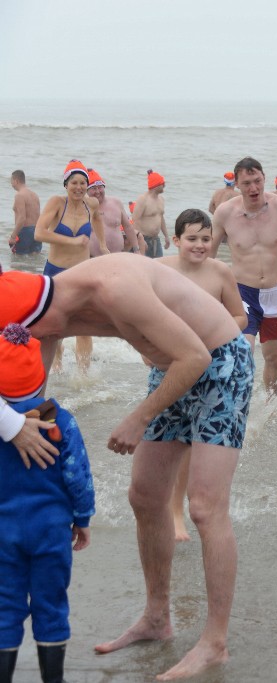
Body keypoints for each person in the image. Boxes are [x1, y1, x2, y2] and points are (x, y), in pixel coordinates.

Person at [0, 253, 253, 680]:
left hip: (219, 366)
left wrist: (139, 417)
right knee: (146, 496)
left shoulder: (114, 287)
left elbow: (195, 359)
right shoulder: (48, 311)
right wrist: (21, 427)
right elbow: (31, 390)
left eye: (29, 338)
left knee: (205, 507)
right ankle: (157, 619)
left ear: (38, 319)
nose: (31, 343)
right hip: (170, 369)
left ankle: (215, 642)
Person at [0, 323, 94, 683]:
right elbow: (77, 476)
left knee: (4, 607)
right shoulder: (60, 420)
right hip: (51, 532)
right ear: (40, 378)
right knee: (51, 605)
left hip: (3, 532)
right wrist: (83, 518)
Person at [158, 209, 247, 543]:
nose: (199, 245)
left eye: (206, 239)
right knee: (174, 440)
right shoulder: (160, 268)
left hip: (212, 365)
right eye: (191, 239)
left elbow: (239, 317)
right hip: (170, 364)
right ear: (176, 239)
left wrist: (212, 332)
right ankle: (170, 507)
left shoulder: (220, 272)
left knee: (198, 442)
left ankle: (184, 509)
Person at [211, 158, 277, 398]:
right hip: (242, 292)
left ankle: (269, 403)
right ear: (237, 184)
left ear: (264, 178)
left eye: (257, 181)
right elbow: (207, 257)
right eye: (247, 183)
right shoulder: (225, 213)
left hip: (275, 293)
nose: (253, 188)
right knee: (244, 351)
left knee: (273, 358)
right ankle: (237, 402)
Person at [35, 160, 108, 374]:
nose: (79, 187)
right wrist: (72, 241)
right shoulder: (57, 203)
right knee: (54, 328)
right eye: (74, 182)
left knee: (84, 328)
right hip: (56, 273)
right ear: (66, 185)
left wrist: (103, 245)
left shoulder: (91, 204)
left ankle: (83, 376)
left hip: (82, 274)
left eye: (83, 183)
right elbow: (39, 233)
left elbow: (97, 221)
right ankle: (56, 366)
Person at [87, 168, 140, 256]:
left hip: (117, 256)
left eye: (100, 187)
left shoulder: (116, 203)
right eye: (93, 188)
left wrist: (136, 249)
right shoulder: (83, 207)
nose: (97, 192)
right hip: (92, 259)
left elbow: (128, 227)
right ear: (86, 190)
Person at [134, 169, 170, 257]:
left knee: (159, 265)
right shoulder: (143, 200)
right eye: (162, 183)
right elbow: (135, 220)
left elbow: (161, 218)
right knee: (144, 267)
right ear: (156, 185)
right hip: (144, 239)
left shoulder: (161, 199)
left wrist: (166, 236)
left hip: (156, 239)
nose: (164, 185)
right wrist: (140, 240)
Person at [8, 170, 41, 255]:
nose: (11, 184)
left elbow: (22, 218)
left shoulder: (19, 195)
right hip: (37, 230)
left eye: (11, 181)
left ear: (16, 181)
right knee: (33, 261)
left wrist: (13, 236)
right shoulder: (35, 195)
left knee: (18, 261)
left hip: (25, 231)